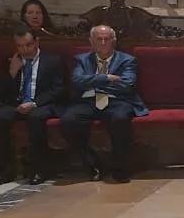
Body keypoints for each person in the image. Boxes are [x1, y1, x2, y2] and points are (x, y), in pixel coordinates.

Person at [59, 24, 148, 182]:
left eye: (106, 39)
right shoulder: (82, 59)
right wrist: (106, 78)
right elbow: (77, 81)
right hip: (88, 100)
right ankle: (94, 163)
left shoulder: (127, 60)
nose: (103, 43)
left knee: (120, 119)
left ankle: (118, 167)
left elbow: (127, 85)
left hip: (117, 100)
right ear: (92, 42)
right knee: (68, 120)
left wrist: (91, 81)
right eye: (98, 39)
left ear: (113, 41)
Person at [0, 24, 65, 186]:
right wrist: (12, 72)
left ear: (36, 42)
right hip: (17, 103)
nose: (25, 50)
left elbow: (58, 90)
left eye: (28, 45)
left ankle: (39, 170)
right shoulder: (13, 60)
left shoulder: (52, 60)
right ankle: (4, 171)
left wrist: (34, 103)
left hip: (43, 104)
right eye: (20, 46)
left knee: (36, 118)